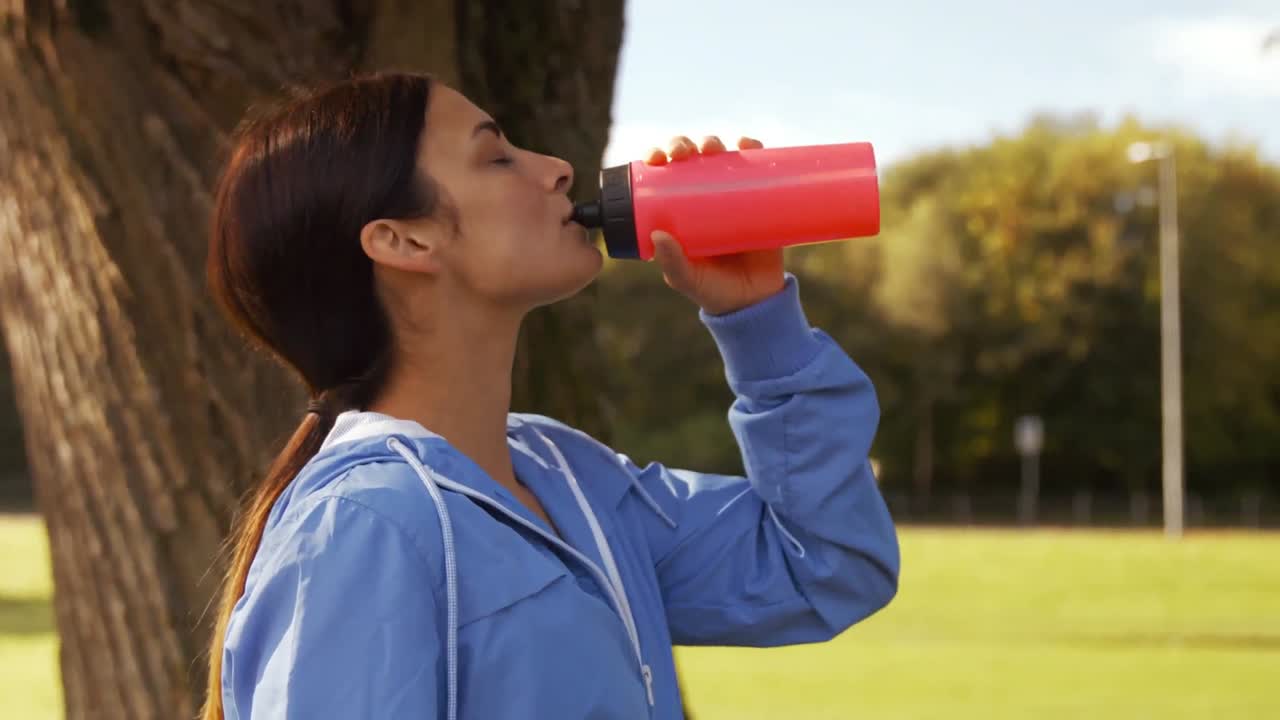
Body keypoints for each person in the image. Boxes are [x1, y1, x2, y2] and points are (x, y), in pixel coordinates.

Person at [200, 71, 899, 720]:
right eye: (496, 157)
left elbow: (828, 566)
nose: (557, 168)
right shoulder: (362, 530)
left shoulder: (568, 477)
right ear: (403, 240)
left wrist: (757, 320)